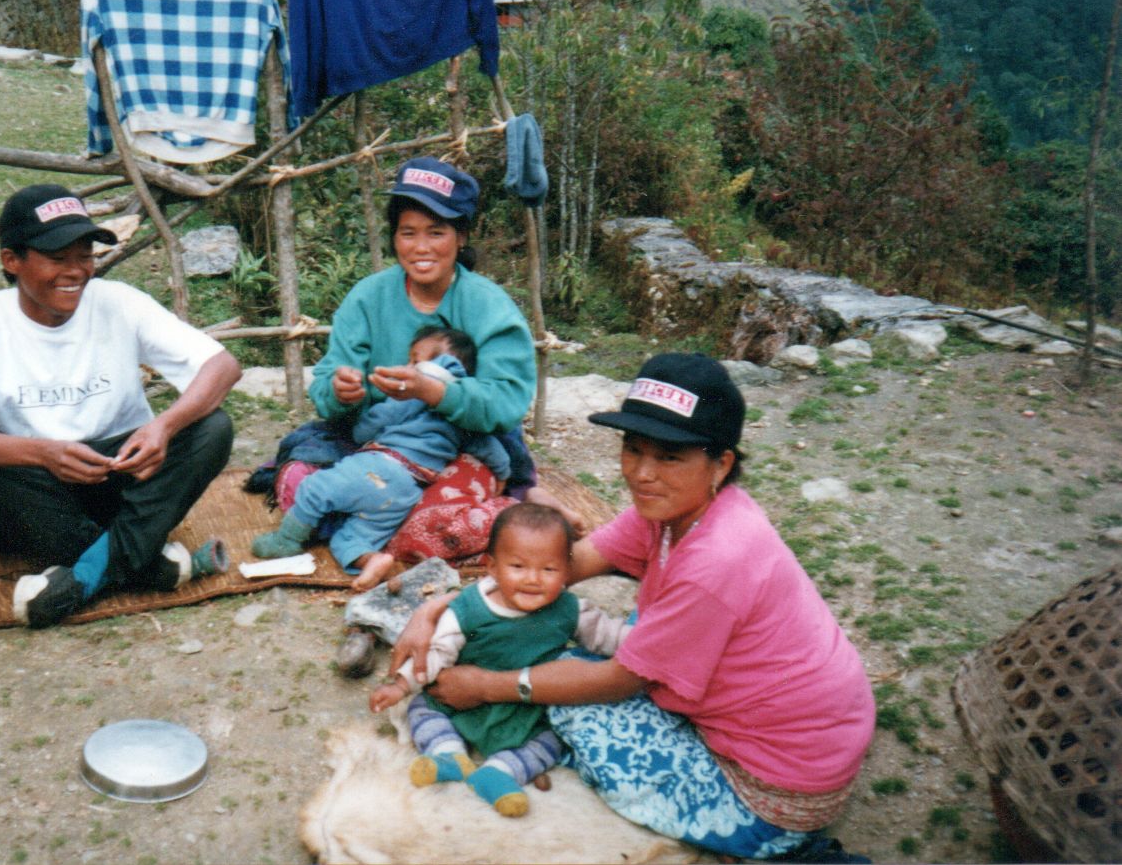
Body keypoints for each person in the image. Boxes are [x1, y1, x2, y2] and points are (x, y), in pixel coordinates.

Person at [391, 354, 876, 859]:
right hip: (818, 731)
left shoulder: (716, 559)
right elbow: (558, 566)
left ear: (722, 463)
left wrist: (485, 685)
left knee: (566, 689)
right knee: (609, 637)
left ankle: (781, 848)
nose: (642, 474)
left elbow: (621, 679)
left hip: (776, 790)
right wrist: (439, 609)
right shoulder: (671, 512)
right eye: (634, 448)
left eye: (669, 457)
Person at [0, 184, 241, 629]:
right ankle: (137, 558)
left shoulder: (118, 302)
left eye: (84, 256)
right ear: (12, 261)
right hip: (42, 490)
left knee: (210, 429)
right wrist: (44, 453)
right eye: (57, 258)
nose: (76, 272)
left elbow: (222, 365)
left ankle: (85, 575)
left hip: (125, 475)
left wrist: (163, 426)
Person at [368, 503, 627, 817]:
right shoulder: (470, 608)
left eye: (549, 569)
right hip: (460, 698)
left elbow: (609, 636)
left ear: (567, 570)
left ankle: (500, 773)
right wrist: (400, 685)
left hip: (528, 707)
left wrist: (648, 642)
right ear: (491, 566)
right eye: (518, 566)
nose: (533, 579)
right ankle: (448, 754)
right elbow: (438, 652)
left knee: (555, 739)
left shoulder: (571, 610)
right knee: (420, 708)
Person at [251, 327, 511, 588]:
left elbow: (367, 428)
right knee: (350, 539)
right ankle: (371, 560)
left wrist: (362, 424)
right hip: (408, 491)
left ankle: (285, 540)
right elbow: (491, 448)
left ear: (431, 368)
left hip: (379, 467)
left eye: (414, 360)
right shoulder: (461, 414)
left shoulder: (409, 397)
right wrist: (502, 475)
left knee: (314, 488)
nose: (408, 366)